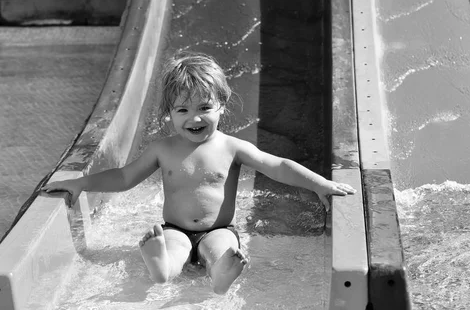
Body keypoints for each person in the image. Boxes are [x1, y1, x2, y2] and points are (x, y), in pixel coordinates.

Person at [41, 51, 356, 295]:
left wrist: (319, 184)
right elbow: (124, 178)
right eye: (183, 110)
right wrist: (81, 183)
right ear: (169, 114)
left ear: (222, 104)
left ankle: (220, 276)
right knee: (174, 246)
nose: (195, 117)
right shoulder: (162, 149)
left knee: (221, 249)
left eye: (204, 107)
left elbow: (276, 166)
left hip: (218, 228)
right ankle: (162, 267)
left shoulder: (232, 147)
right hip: (175, 228)